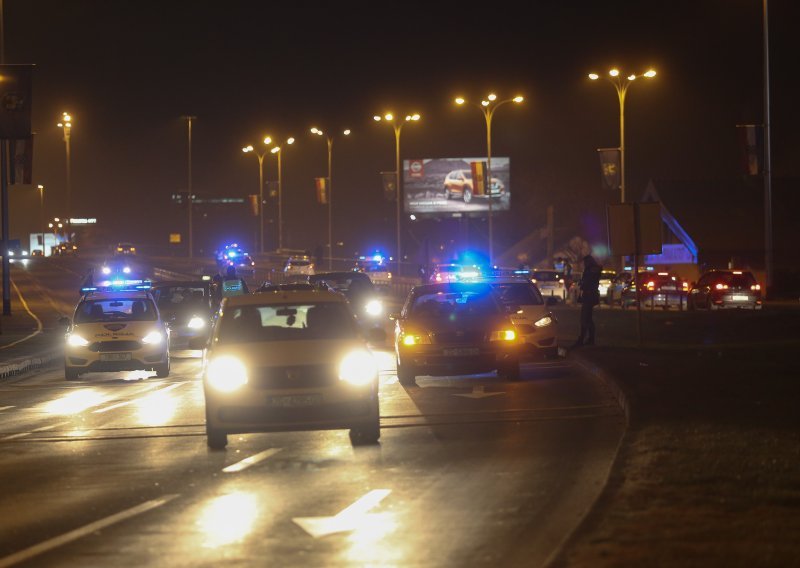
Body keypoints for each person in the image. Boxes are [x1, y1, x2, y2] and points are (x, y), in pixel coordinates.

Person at [572, 254, 602, 348]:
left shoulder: (590, 270)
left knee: (584, 318)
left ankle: (582, 339)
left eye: (585, 262)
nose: (584, 264)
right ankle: (590, 339)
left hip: (589, 295)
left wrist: (582, 283)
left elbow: (587, 282)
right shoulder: (594, 270)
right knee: (588, 318)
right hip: (591, 295)